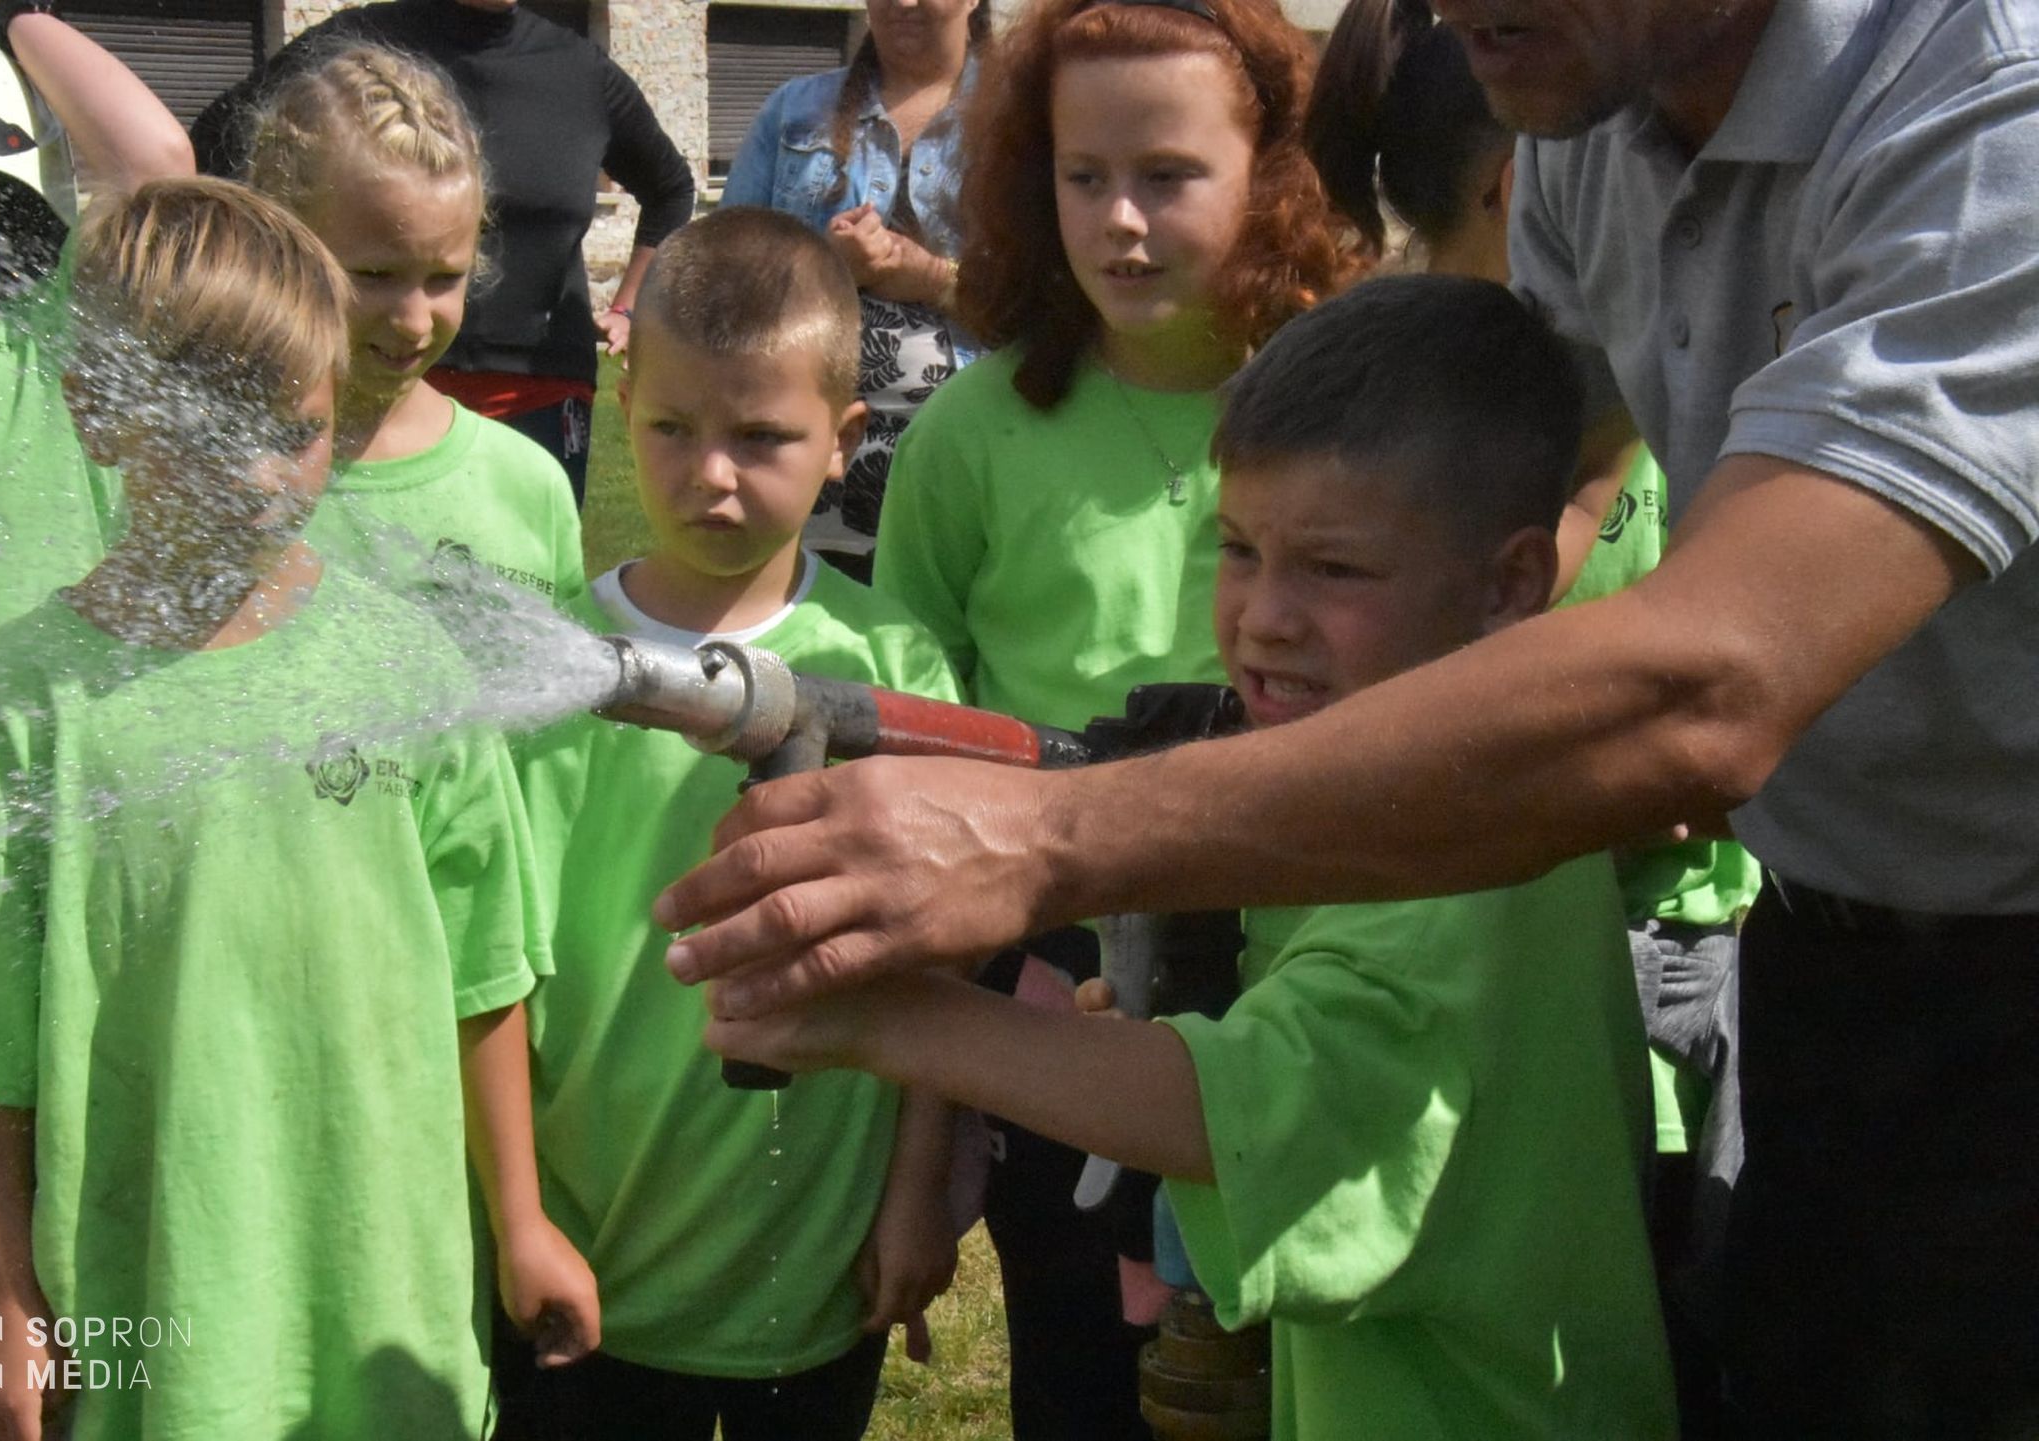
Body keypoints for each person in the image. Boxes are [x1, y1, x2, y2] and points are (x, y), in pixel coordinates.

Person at [658, 0, 2039, 1432]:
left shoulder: (1993, 111)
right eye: (1240, 554)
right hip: (1832, 954)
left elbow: (1706, 683)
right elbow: (1500, 465)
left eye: (1317, 569)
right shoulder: (1590, 103)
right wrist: (1347, 725)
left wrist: (1038, 857)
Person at [710, 276, 1680, 1439]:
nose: (1264, 615)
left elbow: (1241, 1110)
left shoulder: (1458, 878)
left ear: (1510, 584)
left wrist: (884, 1018)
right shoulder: (1476, 803)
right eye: (1240, 547)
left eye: (1336, 569)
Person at [0, 177, 598, 1441]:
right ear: (100, 409)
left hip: (387, 1300)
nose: (264, 473)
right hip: (148, 1307)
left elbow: (486, 975)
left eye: (299, 427)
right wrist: (0, 1284)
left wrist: (524, 1219)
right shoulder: (22, 704)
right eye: (215, 431)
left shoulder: (405, 670)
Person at [865, 0, 1352, 1431]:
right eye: (1086, 177)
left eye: (1169, 175)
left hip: (1306, 941)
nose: (1122, 222)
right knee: (1083, 1357)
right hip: (1061, 974)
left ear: (1268, 176)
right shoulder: (977, 428)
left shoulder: (1339, 405)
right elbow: (914, 708)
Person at [1308, 2, 1756, 1427]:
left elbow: (1727, 679)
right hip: (1720, 955)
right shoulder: (1582, 173)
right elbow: (1529, 537)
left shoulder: (1977, 97)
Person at [499, 207, 960, 1441]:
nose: (713, 474)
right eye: (673, 428)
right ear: (622, 402)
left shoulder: (893, 664)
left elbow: (936, 969)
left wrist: (918, 1197)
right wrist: (513, 1215)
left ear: (844, 443)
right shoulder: (552, 668)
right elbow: (482, 967)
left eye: (762, 437)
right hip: (590, 1261)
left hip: (803, 1269)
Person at [0, 3, 189, 1435]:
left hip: (8, 908)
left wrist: (3, 20)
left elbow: (156, 164)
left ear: (13, 220)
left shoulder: (48, 351)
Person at [191, 0, 697, 495]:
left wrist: (629, 306)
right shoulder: (356, 44)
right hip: (362, 374)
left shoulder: (581, 72)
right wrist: (263, 289)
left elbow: (670, 189)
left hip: (537, 388)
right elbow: (217, 143)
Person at [245, 43, 585, 613]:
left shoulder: (529, 484)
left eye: (444, 279)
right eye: (375, 274)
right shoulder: (220, 472)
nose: (414, 322)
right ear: (278, 245)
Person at [720, 0, 990, 575]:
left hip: (970, 464)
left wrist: (935, 279)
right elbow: (724, 279)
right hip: (804, 462)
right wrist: (827, 266)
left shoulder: (1022, 114)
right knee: (808, 648)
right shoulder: (795, 111)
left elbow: (1061, 303)